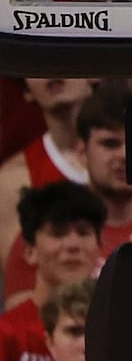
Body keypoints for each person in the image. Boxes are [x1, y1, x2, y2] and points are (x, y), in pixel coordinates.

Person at [4, 81, 132, 307]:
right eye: (110, 144)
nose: (125, 155)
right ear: (81, 152)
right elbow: (19, 324)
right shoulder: (44, 233)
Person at [0, 181, 103, 361]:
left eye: (84, 232)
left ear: (99, 247)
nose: (73, 245)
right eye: (58, 233)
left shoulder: (117, 329)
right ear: (29, 251)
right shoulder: (6, 333)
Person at [0, 77, 92, 267]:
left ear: (95, 75)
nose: (53, 71)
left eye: (66, 54)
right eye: (39, 62)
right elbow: (20, 281)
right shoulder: (12, 181)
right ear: (26, 90)